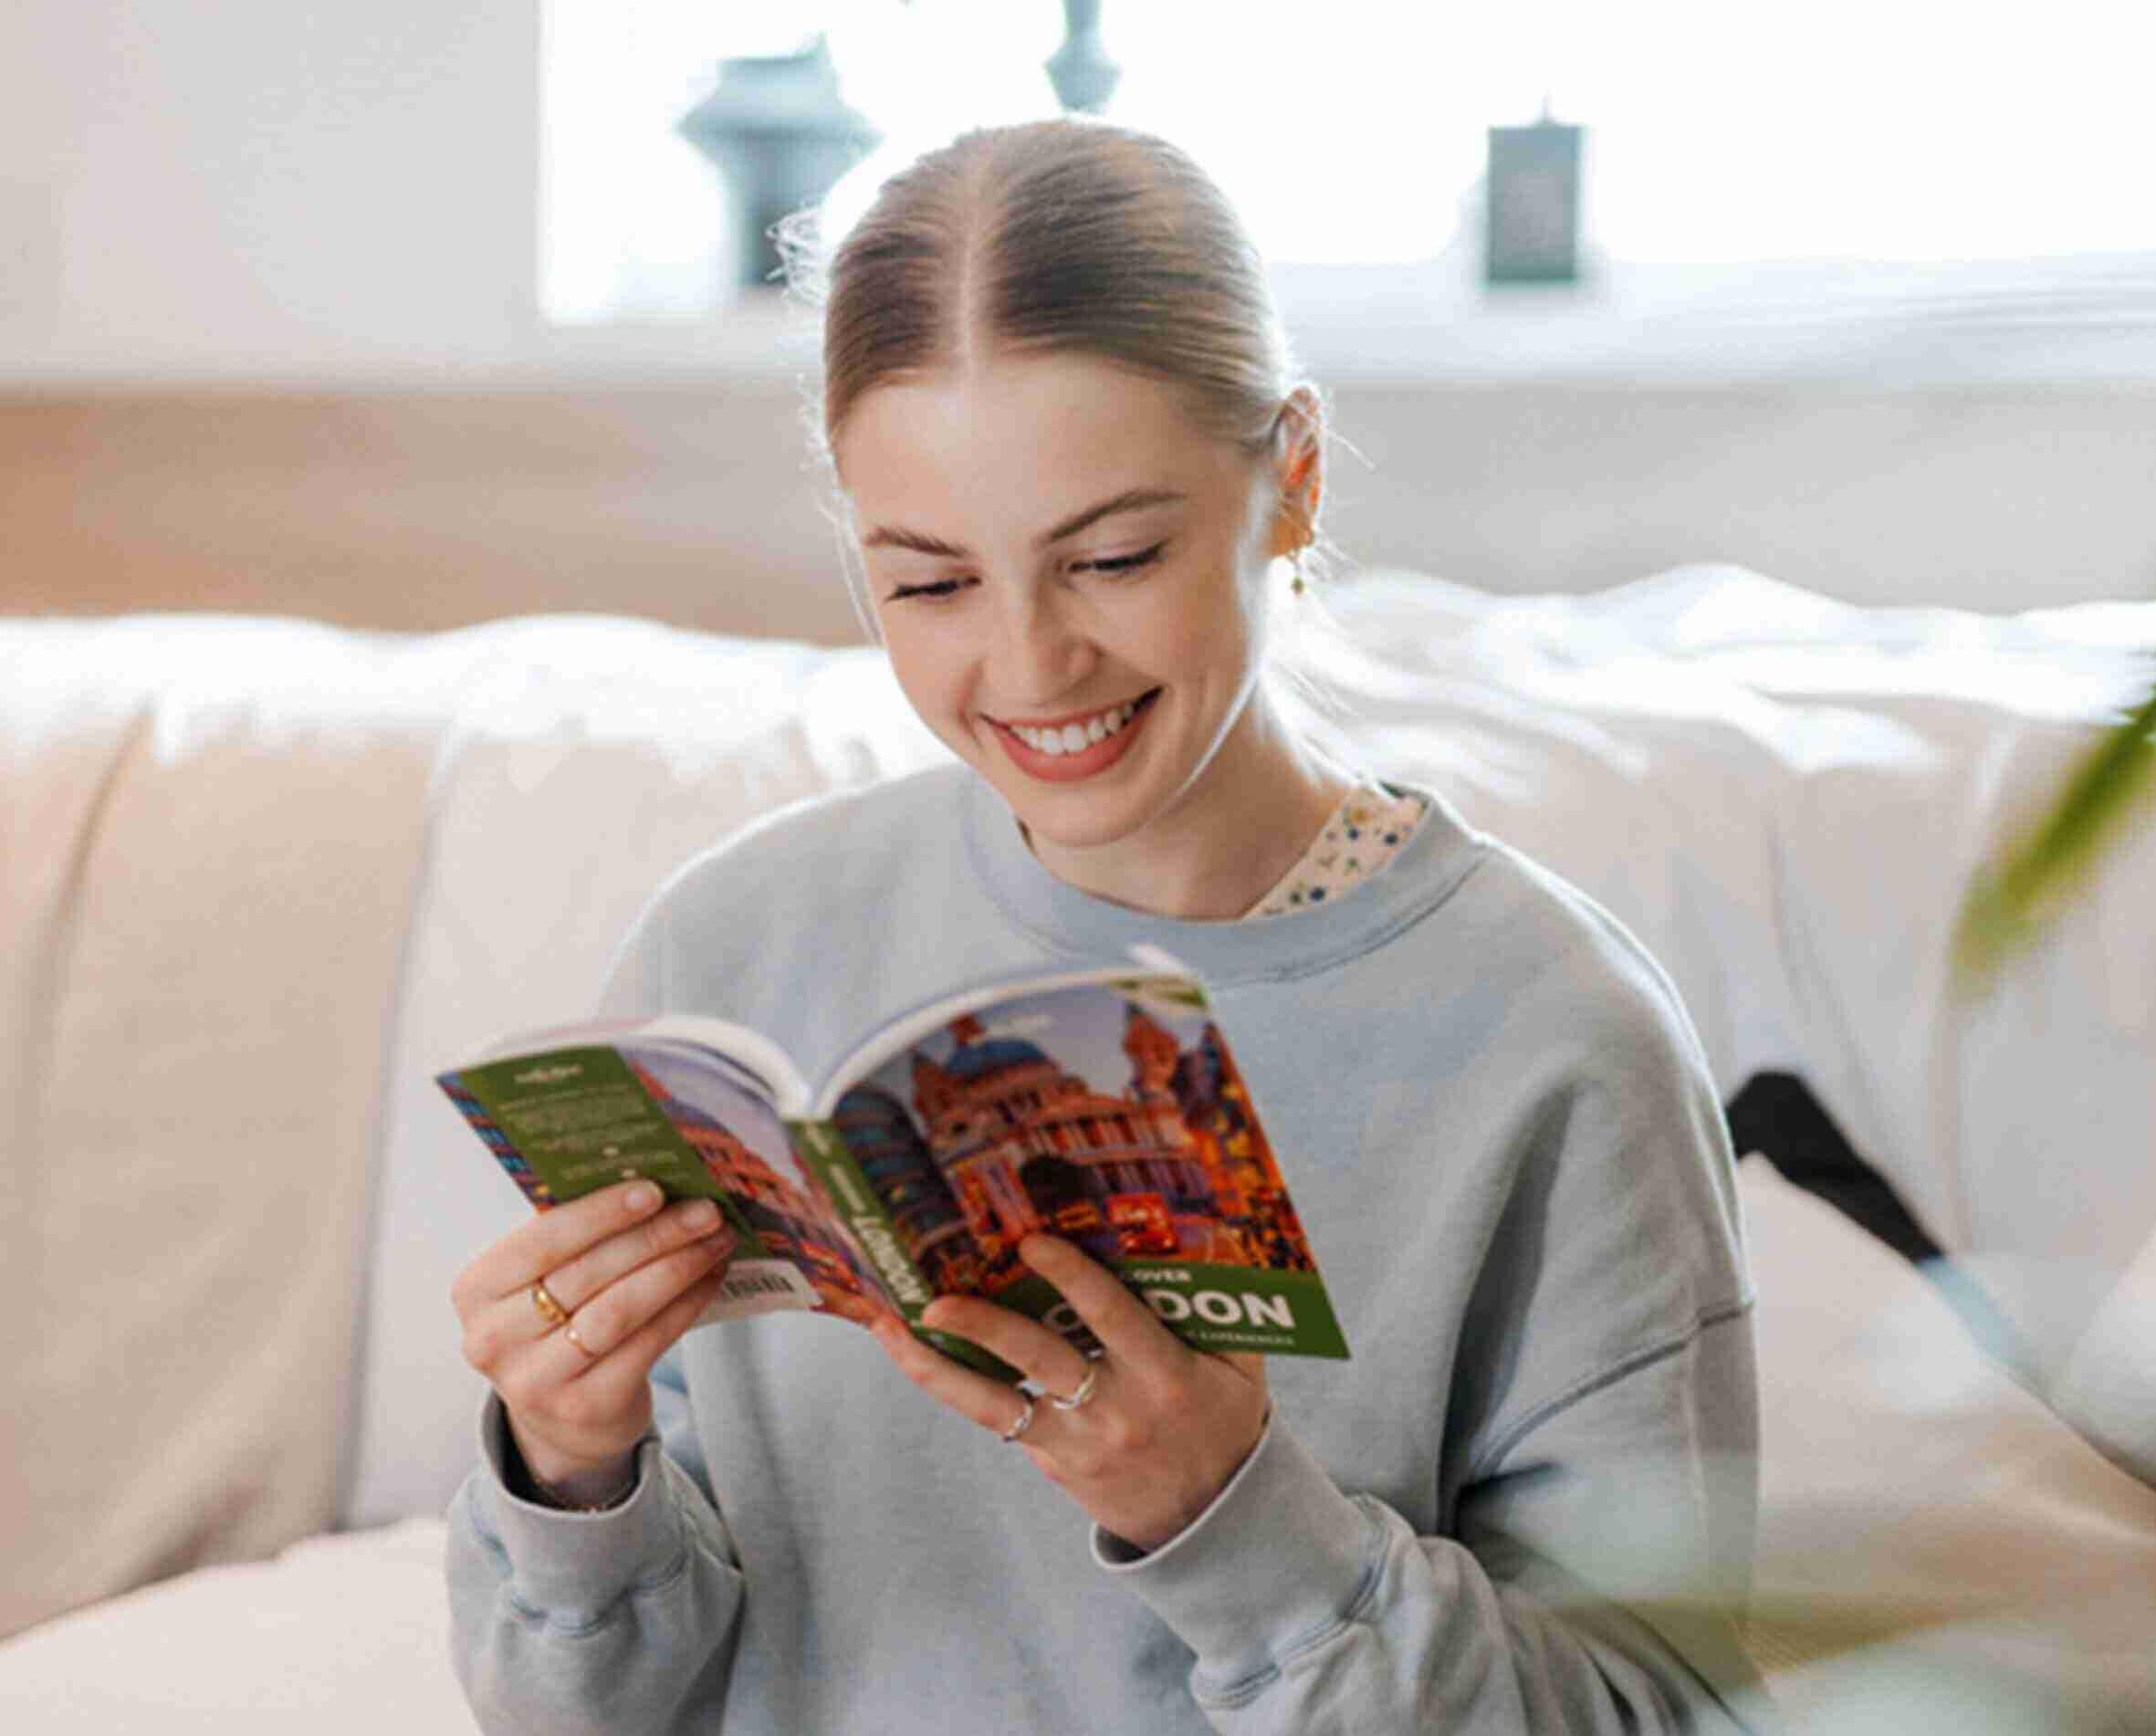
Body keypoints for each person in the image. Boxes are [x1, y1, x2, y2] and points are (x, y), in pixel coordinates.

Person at [445, 117, 1769, 1734]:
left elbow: (1663, 1710)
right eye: (930, 583)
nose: (1030, 665)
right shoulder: (726, 949)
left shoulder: (1556, 1038)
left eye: (1115, 557)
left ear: (1293, 479)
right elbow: (572, 1710)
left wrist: (1236, 1521)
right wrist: (569, 1469)